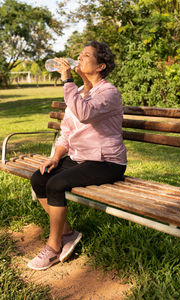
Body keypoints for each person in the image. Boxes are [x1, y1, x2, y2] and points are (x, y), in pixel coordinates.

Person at [28, 40, 127, 270]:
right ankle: (68, 234)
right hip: (80, 158)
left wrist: (67, 80)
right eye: (79, 55)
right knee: (39, 178)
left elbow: (84, 114)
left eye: (86, 55)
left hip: (106, 162)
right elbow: (67, 131)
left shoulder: (109, 92)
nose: (79, 58)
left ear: (100, 66)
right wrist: (55, 157)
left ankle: (53, 248)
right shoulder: (79, 92)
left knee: (55, 184)